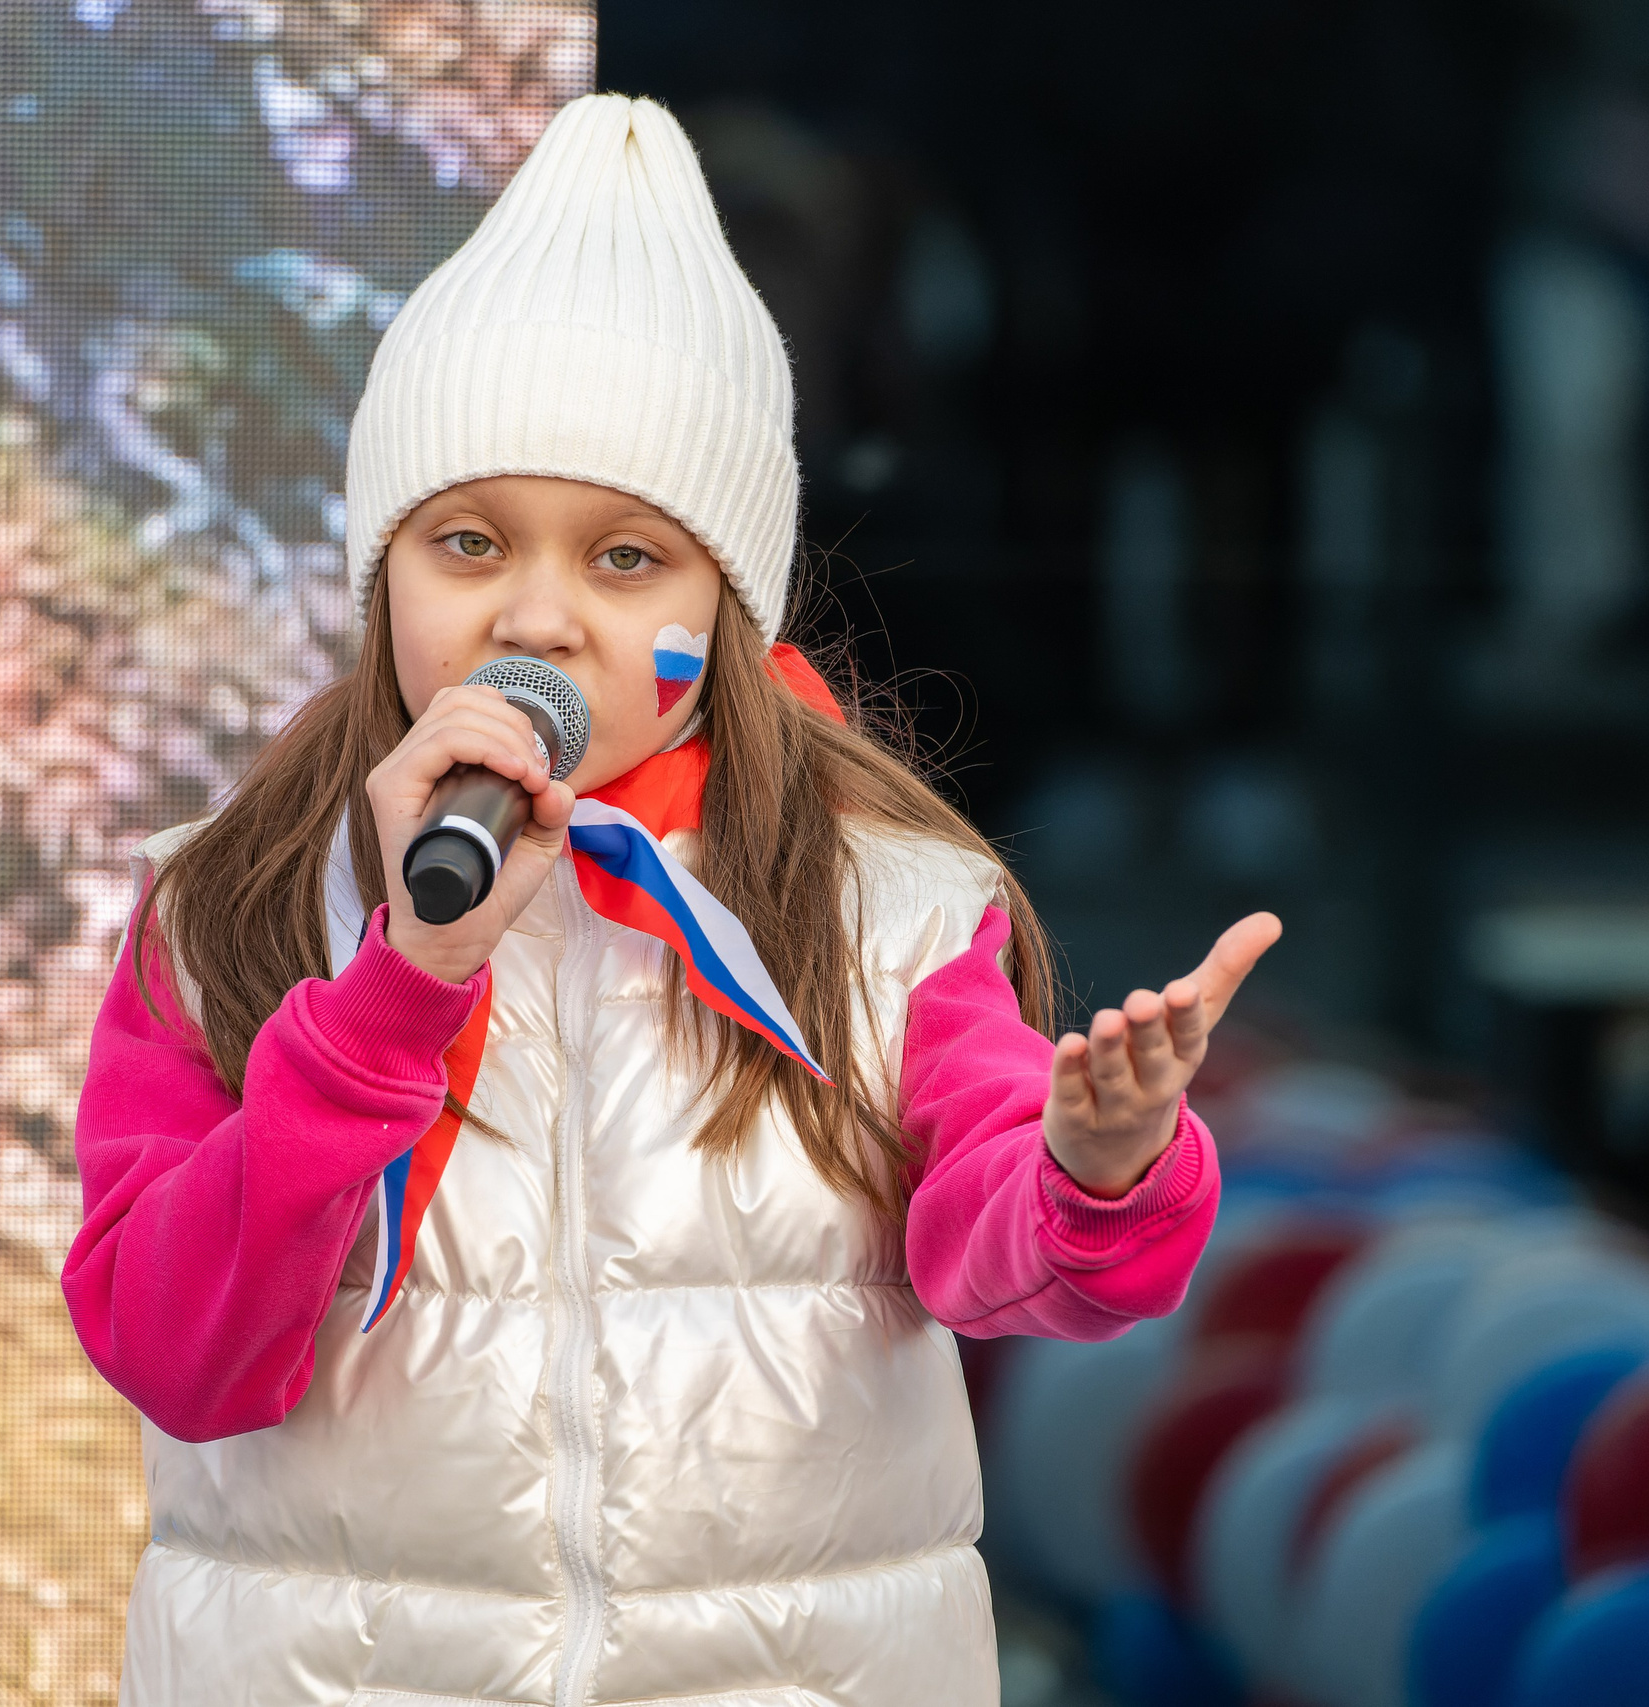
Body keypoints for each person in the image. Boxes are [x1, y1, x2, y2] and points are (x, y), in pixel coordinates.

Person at [63, 92, 1280, 1707]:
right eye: (471, 542)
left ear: (731, 597)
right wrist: (387, 998)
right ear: (379, 576)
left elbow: (992, 1263)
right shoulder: (230, 907)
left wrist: (1095, 1168)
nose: (541, 615)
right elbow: (178, 1353)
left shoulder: (886, 908)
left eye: (627, 561)